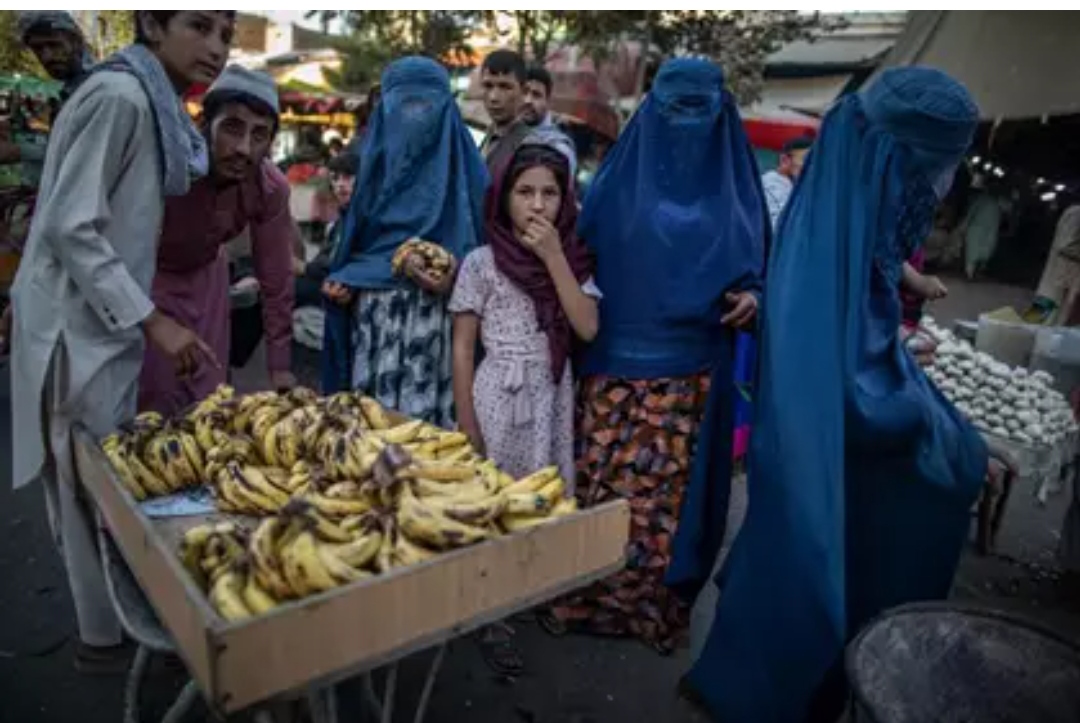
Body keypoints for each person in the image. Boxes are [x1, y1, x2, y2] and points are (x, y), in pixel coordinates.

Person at [681, 67, 988, 723]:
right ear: (898, 162)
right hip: (840, 458)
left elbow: (855, 342)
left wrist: (897, 359)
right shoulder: (834, 233)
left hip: (826, 454)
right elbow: (851, 393)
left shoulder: (853, 213)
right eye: (936, 169)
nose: (940, 189)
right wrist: (940, 426)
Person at [8, 10, 233, 673]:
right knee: (86, 486)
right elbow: (72, 226)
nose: (217, 48)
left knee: (96, 481)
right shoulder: (121, 96)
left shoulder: (147, 99)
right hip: (74, 329)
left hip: (96, 322)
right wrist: (153, 318)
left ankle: (110, 628)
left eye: (226, 33)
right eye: (200, 28)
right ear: (152, 29)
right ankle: (105, 637)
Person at [544, 58, 767, 655]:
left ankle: (649, 613)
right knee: (603, 491)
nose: (686, 122)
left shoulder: (738, 189)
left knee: (665, 507)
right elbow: (580, 258)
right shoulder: (619, 182)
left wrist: (753, 295)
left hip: (691, 374)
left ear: (721, 113)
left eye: (700, 108)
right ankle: (581, 596)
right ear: (652, 108)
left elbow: (763, 268)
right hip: (613, 364)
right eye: (674, 107)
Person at [321, 56, 488, 426]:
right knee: (373, 451)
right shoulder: (370, 174)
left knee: (437, 456)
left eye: (426, 106)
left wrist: (455, 276)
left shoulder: (475, 183)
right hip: (377, 336)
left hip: (445, 340)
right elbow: (352, 250)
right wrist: (347, 280)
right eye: (404, 106)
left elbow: (492, 267)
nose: (415, 119)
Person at [139, 65, 297, 416]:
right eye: (232, 128)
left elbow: (276, 275)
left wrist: (279, 364)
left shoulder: (270, 187)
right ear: (204, 125)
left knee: (209, 399)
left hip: (209, 283)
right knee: (153, 396)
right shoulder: (163, 165)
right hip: (148, 277)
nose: (243, 148)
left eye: (259, 135)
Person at [478, 49, 532, 173]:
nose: (494, 97)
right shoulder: (488, 135)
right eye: (488, 86)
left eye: (505, 87)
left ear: (524, 91)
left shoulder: (529, 145)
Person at [1026, 203, 1080, 325]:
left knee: (1054, 315)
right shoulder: (1077, 213)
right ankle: (1024, 336)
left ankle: (1030, 336)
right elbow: (1065, 245)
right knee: (1045, 307)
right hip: (1062, 272)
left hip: (1067, 274)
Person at [520, 65, 578, 177]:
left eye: (536, 95)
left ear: (548, 101)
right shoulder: (503, 133)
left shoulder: (558, 150)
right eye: (524, 92)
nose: (528, 100)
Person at [761, 135, 813, 230]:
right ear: (785, 160)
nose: (811, 167)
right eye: (806, 160)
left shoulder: (796, 186)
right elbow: (777, 228)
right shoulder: (770, 184)